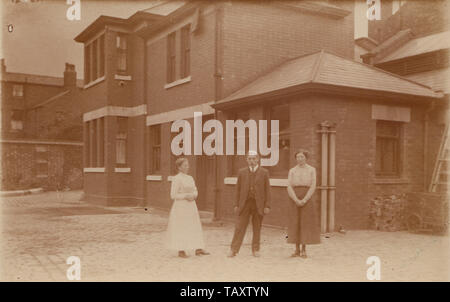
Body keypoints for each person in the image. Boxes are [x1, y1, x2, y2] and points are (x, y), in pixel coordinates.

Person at [228, 151, 271, 257]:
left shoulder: (264, 172)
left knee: (257, 227)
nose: (252, 161)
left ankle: (256, 249)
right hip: (245, 204)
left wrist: (267, 205)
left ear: (258, 159)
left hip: (258, 204)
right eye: (249, 159)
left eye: (254, 159)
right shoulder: (241, 172)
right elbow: (237, 189)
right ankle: (234, 249)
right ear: (247, 160)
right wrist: (236, 204)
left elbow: (267, 190)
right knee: (240, 227)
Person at [166, 157, 210, 258]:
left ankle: (198, 248)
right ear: (179, 167)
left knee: (194, 226)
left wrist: (194, 195)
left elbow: (195, 190)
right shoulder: (176, 179)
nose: (187, 167)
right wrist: (185, 196)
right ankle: (181, 250)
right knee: (182, 227)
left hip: (191, 206)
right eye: (185, 165)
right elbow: (173, 195)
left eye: (187, 165)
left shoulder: (190, 178)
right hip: (181, 207)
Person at [286, 149, 321, 258]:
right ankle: (296, 249)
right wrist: (296, 199)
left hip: (307, 197)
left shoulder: (311, 170)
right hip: (295, 197)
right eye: (298, 157)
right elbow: (289, 186)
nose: (300, 159)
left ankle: (304, 250)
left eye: (302, 157)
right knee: (295, 222)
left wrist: (305, 200)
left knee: (305, 223)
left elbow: (313, 186)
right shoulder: (292, 170)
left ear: (306, 158)